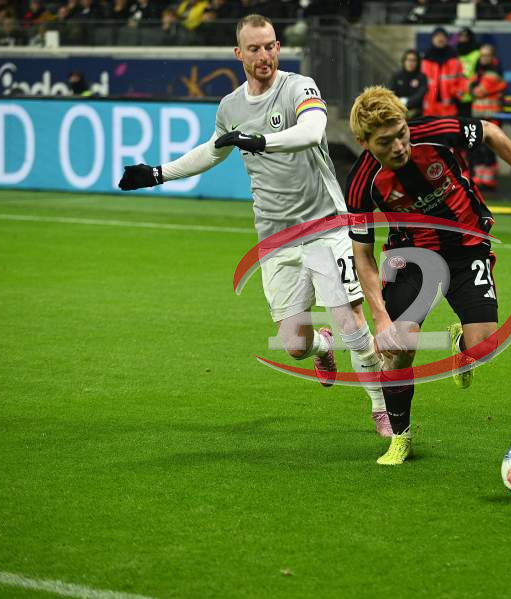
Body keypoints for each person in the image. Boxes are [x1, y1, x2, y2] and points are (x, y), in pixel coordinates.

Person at [117, 14, 392, 437]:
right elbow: (214, 149)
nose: (264, 56)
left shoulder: (299, 87)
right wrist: (158, 174)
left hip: (324, 225)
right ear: (239, 53)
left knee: (351, 322)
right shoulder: (231, 106)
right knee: (294, 345)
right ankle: (321, 345)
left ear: (278, 47)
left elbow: (311, 130)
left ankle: (382, 409)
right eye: (255, 49)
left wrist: (261, 141)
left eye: (270, 46)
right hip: (276, 236)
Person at [345, 86, 511, 465]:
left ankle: (462, 347)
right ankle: (400, 436)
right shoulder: (362, 182)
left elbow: (490, 131)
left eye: (402, 134)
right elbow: (363, 254)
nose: (399, 147)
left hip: (467, 247)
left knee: (484, 346)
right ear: (364, 142)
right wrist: (381, 318)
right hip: (412, 260)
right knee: (399, 347)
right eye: (385, 142)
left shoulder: (436, 132)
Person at [470, 43, 507, 189]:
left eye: (487, 55)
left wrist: (472, 87)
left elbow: (477, 91)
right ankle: (480, 178)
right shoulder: (480, 72)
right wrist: (472, 86)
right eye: (482, 55)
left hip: (491, 115)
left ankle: (488, 179)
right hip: (478, 115)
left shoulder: (493, 74)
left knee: (489, 148)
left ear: (493, 57)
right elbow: (468, 87)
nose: (484, 58)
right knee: (478, 147)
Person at [421, 27, 466, 117]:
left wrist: (456, 94)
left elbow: (461, 79)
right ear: (432, 39)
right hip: (429, 106)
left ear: (447, 39)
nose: (440, 39)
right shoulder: (426, 57)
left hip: (449, 106)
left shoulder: (453, 57)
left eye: (442, 36)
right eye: (437, 36)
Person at [387, 49, 428, 119]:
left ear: (418, 62)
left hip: (416, 113)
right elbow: (390, 91)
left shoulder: (422, 77)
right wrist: (398, 102)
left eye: (414, 60)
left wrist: (407, 101)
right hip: (398, 111)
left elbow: (420, 94)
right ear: (404, 61)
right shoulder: (397, 76)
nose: (411, 63)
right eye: (408, 60)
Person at [456, 27, 480, 117]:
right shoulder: (455, 53)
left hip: (471, 96)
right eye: (461, 36)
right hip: (457, 95)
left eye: (465, 36)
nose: (463, 39)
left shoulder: (477, 54)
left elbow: (479, 74)